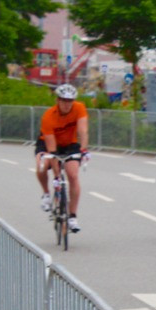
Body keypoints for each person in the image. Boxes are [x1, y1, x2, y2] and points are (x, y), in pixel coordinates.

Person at [40, 83, 89, 233]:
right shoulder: (49, 116)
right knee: (42, 166)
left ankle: (72, 216)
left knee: (73, 175)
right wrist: (55, 174)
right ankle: (47, 194)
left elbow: (83, 130)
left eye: (70, 101)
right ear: (58, 100)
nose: (67, 104)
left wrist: (84, 150)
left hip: (70, 144)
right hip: (52, 143)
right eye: (64, 101)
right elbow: (52, 147)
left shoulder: (79, 108)